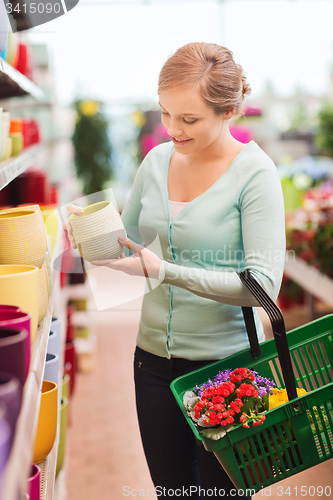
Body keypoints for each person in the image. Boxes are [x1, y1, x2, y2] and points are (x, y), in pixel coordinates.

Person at [66, 42, 285, 499]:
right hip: (152, 364)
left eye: (189, 120)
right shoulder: (156, 161)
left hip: (226, 372)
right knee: (173, 492)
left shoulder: (255, 175)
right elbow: (127, 242)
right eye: (165, 114)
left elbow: (262, 287)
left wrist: (168, 270)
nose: (172, 130)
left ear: (228, 110)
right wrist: (86, 238)